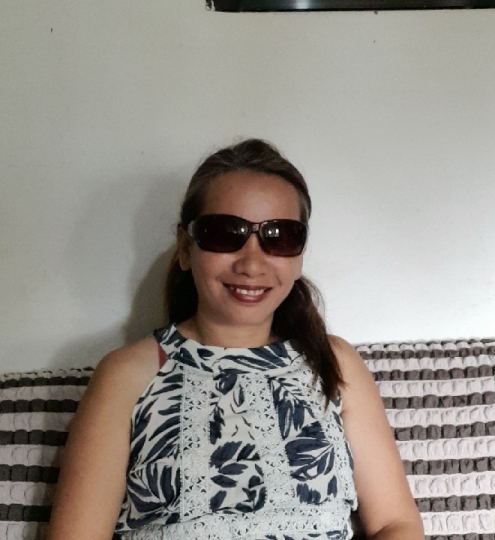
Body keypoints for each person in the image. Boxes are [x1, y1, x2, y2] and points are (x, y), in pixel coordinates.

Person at [48, 139, 424, 540]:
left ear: (299, 254)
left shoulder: (333, 361)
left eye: (279, 236)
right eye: (226, 233)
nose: (251, 263)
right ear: (185, 248)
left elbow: (396, 524)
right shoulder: (126, 374)